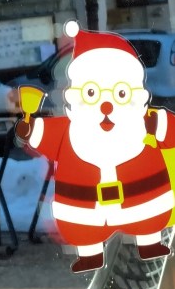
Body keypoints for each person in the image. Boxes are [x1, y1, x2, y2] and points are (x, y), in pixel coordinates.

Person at [15, 20, 175, 273]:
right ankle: (90, 254)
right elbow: (46, 134)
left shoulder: (145, 122)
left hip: (142, 202)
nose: (106, 106)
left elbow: (170, 130)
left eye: (120, 94)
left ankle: (149, 242)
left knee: (147, 219)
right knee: (85, 230)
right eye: (92, 94)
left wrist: (160, 125)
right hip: (85, 209)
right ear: (77, 95)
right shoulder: (72, 130)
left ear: (135, 94)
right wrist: (30, 130)